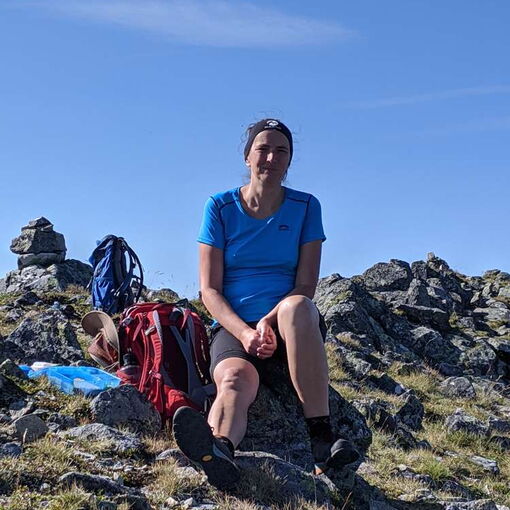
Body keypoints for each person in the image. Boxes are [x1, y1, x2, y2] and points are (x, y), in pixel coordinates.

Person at [172, 118, 359, 489]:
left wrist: (267, 324)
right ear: (247, 157)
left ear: (289, 161)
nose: (271, 158)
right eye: (263, 149)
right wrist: (245, 333)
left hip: (291, 327)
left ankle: (322, 440)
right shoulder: (220, 207)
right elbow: (209, 290)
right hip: (235, 326)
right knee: (234, 379)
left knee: (298, 307)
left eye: (281, 151)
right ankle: (219, 450)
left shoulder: (306, 207)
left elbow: (305, 285)